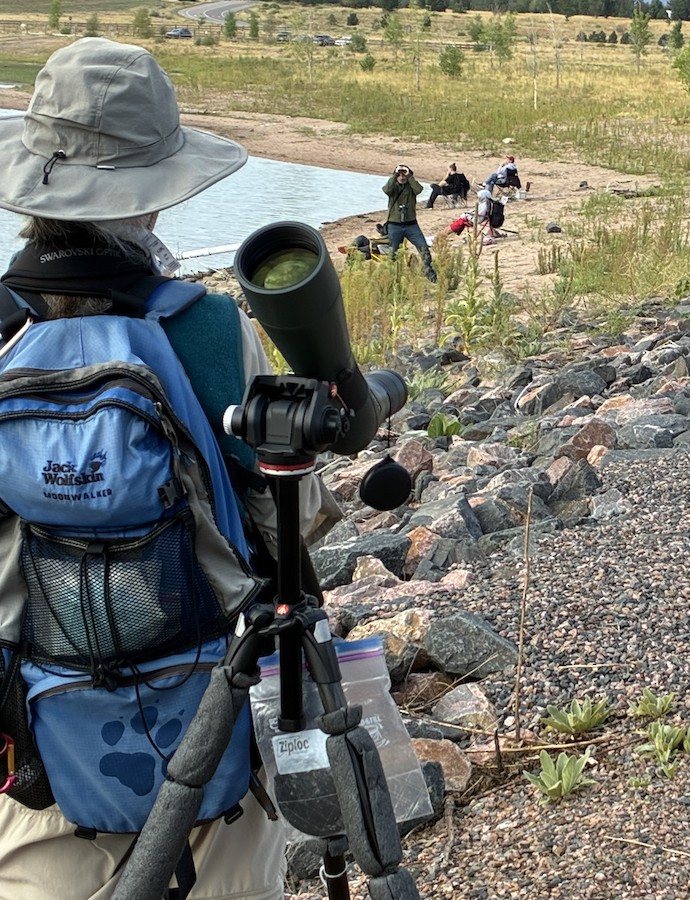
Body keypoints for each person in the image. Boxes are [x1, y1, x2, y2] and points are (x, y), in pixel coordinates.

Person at [0, 38, 338, 900]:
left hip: (34, 725)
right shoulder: (208, 330)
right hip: (209, 711)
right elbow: (287, 514)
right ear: (152, 199)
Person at [383, 164, 437, 283]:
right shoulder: (393, 188)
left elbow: (419, 189)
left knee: (423, 248)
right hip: (394, 224)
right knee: (393, 253)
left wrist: (410, 176)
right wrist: (394, 175)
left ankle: (430, 274)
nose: (402, 176)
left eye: (404, 174)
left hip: (411, 225)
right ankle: (391, 279)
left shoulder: (411, 187)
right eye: (400, 174)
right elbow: (386, 190)